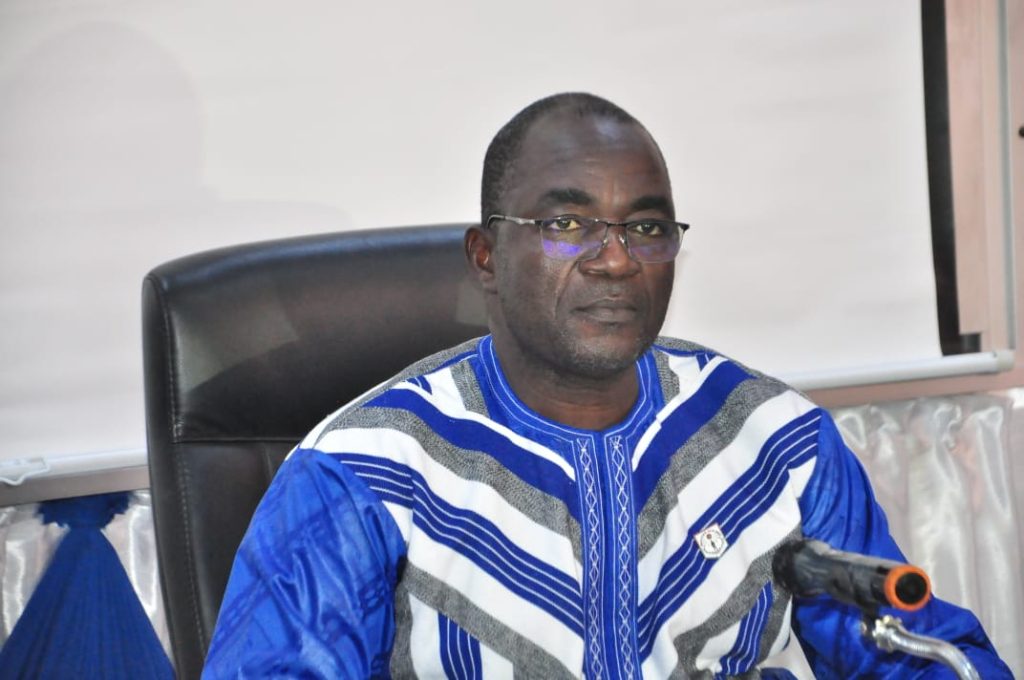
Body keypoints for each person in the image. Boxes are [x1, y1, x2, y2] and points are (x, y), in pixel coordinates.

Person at [202, 93, 1010, 678]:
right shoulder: (361, 474)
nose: (617, 258)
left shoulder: (773, 439)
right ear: (486, 257)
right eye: (567, 225)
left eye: (647, 227)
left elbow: (913, 655)